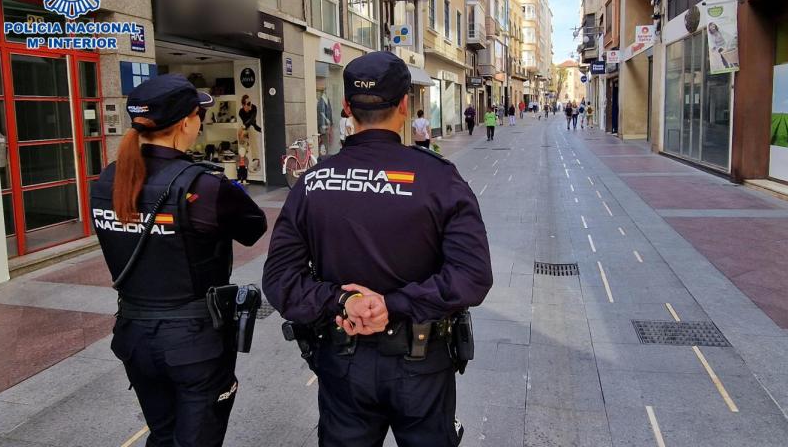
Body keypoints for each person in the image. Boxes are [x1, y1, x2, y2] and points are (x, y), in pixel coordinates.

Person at [263, 51, 493, 447]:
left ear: (347, 108)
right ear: (405, 104)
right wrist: (394, 305)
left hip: (342, 360)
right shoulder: (438, 178)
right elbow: (472, 276)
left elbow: (280, 279)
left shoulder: (313, 182)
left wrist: (343, 301)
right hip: (421, 363)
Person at [91, 74, 267, 447]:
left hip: (133, 334)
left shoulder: (108, 179)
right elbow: (253, 227)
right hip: (193, 343)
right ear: (186, 122)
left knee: (163, 434)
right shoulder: (203, 185)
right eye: (197, 115)